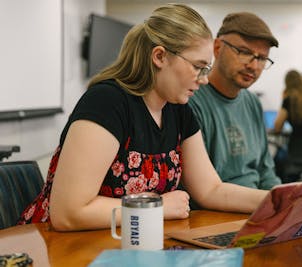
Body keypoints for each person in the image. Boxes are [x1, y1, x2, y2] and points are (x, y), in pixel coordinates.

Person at [17, 4, 268, 231]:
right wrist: (157, 206)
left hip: (125, 241)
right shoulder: (106, 102)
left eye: (206, 69)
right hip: (59, 247)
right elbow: (69, 213)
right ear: (159, 56)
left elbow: (211, 189)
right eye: (197, 66)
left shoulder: (179, 109)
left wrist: (276, 199)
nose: (203, 79)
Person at [188, 12, 281, 192]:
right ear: (217, 48)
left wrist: (290, 203)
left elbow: (266, 172)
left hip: (257, 207)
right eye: (244, 52)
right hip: (217, 211)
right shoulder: (192, 100)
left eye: (261, 58)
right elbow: (203, 192)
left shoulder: (253, 102)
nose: (253, 66)